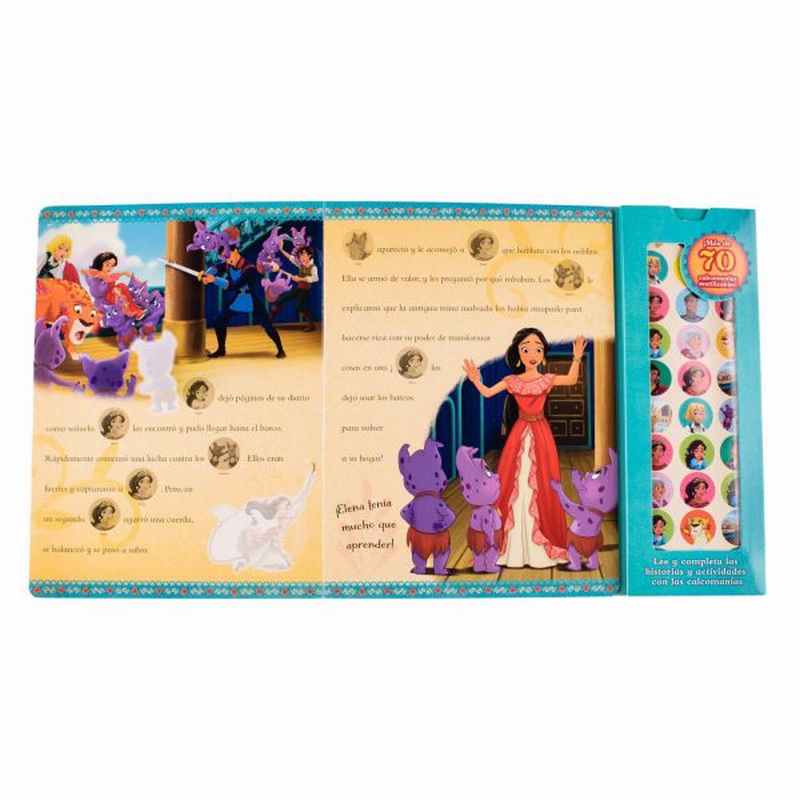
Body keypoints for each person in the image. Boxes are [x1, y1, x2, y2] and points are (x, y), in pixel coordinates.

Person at [463, 328, 585, 567]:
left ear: (543, 354)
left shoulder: (547, 379)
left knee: (543, 483)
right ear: (518, 353)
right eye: (526, 349)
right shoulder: (512, 381)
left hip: (541, 436)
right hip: (519, 436)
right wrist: (476, 380)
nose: (532, 354)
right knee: (514, 483)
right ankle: (511, 547)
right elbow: (488, 393)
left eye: (538, 349)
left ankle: (541, 544)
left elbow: (571, 379)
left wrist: (577, 358)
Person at [202, 244, 286, 358]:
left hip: (251, 301)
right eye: (225, 257)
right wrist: (207, 274)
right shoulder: (228, 264)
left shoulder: (250, 268)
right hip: (237, 300)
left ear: (236, 251)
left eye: (228, 256)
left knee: (267, 325)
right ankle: (221, 350)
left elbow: (234, 286)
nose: (227, 259)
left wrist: (214, 280)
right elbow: (216, 267)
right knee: (219, 321)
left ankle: (281, 349)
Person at [270, 241, 320, 332]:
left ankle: (311, 325)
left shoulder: (313, 267)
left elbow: (315, 278)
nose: (301, 257)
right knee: (280, 300)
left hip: (305, 290)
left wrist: (300, 279)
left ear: (309, 256)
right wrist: (281, 249)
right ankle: (270, 321)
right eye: (300, 255)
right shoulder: (301, 265)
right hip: (298, 288)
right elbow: (291, 258)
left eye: (304, 255)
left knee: (300, 307)